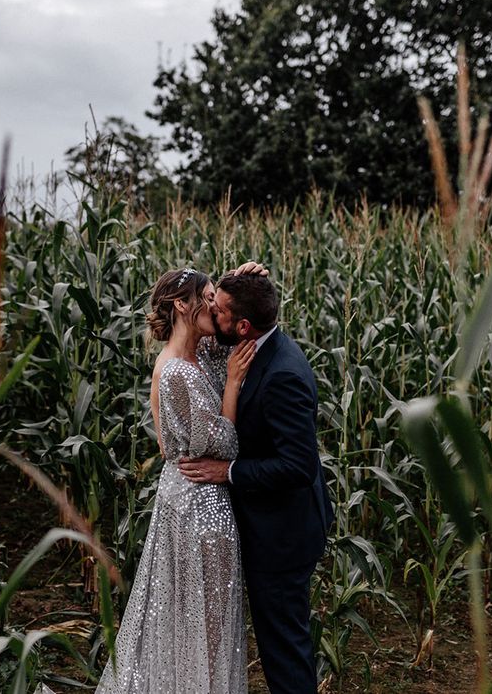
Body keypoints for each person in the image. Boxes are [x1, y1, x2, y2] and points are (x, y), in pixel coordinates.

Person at [95, 266, 257, 694]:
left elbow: (236, 327)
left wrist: (238, 276)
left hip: (187, 504)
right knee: (204, 630)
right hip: (201, 513)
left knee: (195, 626)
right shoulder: (177, 373)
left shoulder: (196, 355)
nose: (212, 306)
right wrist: (235, 385)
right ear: (181, 306)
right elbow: (223, 442)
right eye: (205, 297)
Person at [180, 271, 335, 694]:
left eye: (220, 310)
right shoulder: (253, 346)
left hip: (283, 536)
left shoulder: (282, 373)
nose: (212, 311)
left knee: (283, 651)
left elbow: (298, 466)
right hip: (277, 527)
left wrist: (226, 471)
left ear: (243, 325)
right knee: (282, 645)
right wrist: (237, 278)